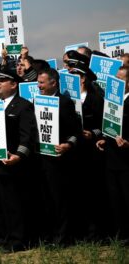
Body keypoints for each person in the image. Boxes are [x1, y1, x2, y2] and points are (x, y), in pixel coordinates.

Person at [0, 69, 38, 251]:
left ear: (14, 84)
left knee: (14, 204)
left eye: (2, 80)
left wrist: (20, 155)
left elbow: (28, 135)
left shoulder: (22, 105)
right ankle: (4, 237)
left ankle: (18, 240)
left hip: (13, 164)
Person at [37, 68, 82, 244]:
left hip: (59, 160)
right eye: (38, 83)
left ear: (53, 83)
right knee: (46, 199)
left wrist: (68, 145)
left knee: (59, 199)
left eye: (41, 82)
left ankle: (63, 237)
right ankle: (50, 235)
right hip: (42, 159)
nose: (39, 86)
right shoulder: (37, 101)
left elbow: (75, 131)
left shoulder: (64, 102)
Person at [68, 63, 106, 239]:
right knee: (77, 191)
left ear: (82, 78)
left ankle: (96, 232)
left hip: (91, 152)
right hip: (73, 152)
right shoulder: (67, 99)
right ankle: (81, 230)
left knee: (93, 191)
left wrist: (92, 133)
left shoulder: (95, 98)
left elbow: (103, 125)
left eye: (74, 74)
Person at [96, 65, 129, 242]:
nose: (117, 82)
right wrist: (104, 139)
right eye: (115, 77)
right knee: (115, 199)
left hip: (126, 160)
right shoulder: (111, 101)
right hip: (111, 158)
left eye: (121, 79)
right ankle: (120, 234)